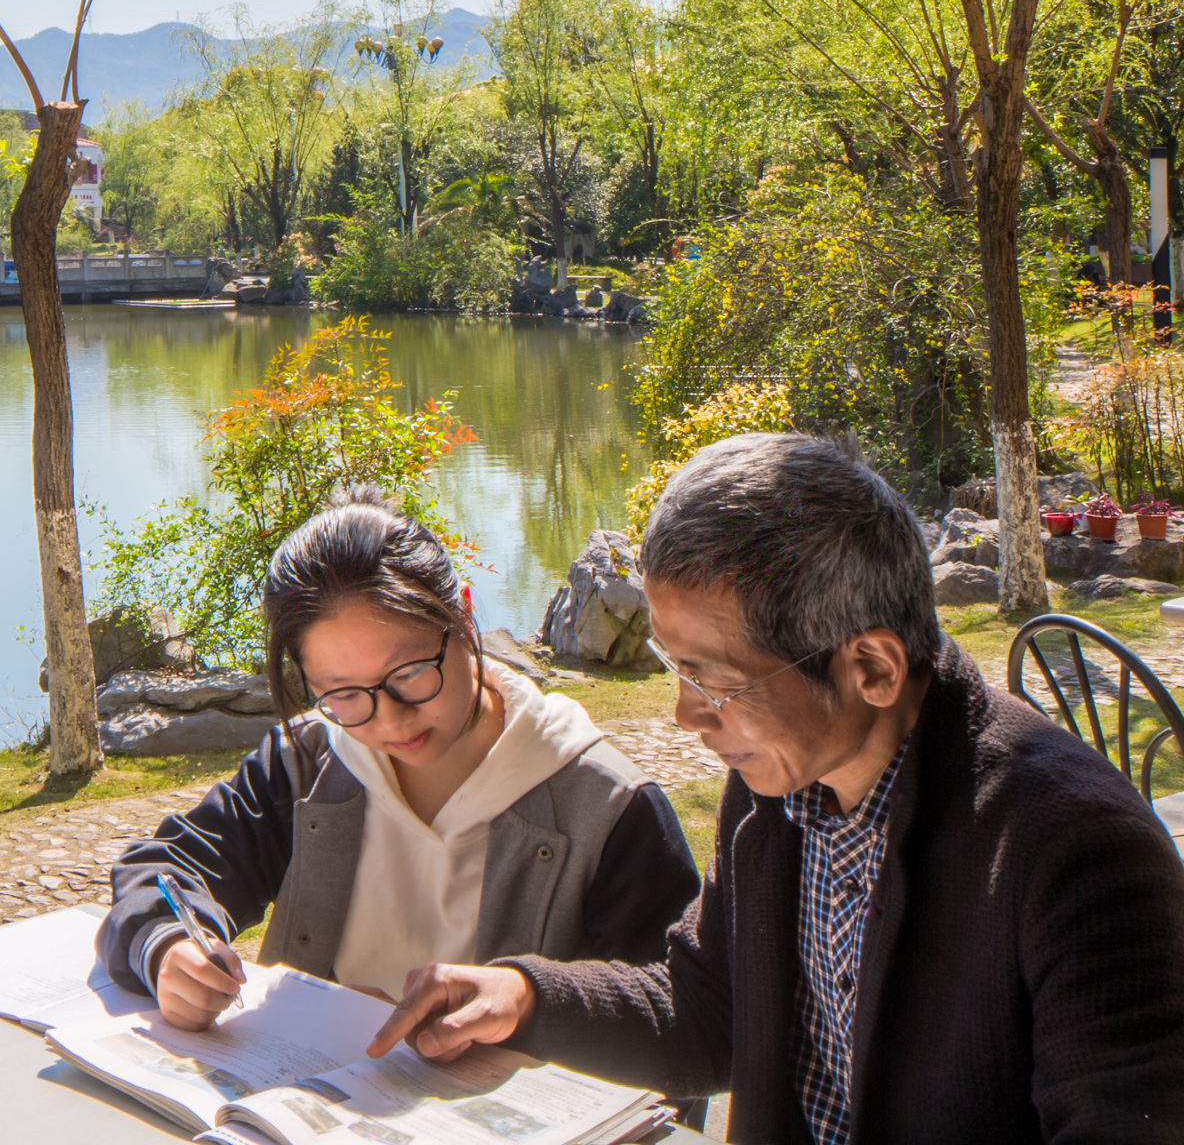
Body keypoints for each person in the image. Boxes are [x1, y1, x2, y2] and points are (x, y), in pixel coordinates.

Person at [370, 434, 1184, 1145]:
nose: (688, 715)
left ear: (871, 668)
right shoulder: (776, 792)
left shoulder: (1074, 853)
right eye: (671, 666)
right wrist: (526, 997)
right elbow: (712, 1011)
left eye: (712, 681)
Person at [97, 488, 701, 1035]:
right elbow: (168, 867)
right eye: (342, 694)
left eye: (410, 674)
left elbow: (677, 1023)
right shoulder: (309, 763)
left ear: (464, 617)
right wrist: (167, 945)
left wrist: (524, 1021)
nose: (388, 721)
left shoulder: (608, 809)